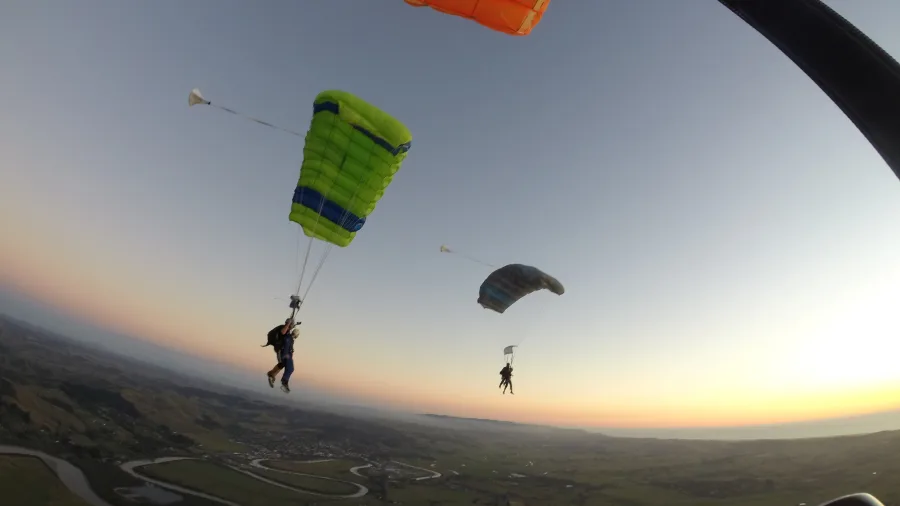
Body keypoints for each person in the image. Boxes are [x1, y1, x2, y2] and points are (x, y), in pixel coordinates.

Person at [264, 319, 293, 388]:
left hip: (280, 348)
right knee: (282, 363)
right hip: (279, 349)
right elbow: (282, 332)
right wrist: (288, 324)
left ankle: (272, 374)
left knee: (282, 364)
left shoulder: (284, 328)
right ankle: (271, 374)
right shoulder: (284, 328)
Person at [279, 326, 299, 393]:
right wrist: (285, 355)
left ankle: (285, 381)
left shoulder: (290, 338)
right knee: (290, 369)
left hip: (288, 355)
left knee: (290, 369)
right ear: (296, 334)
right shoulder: (289, 338)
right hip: (286, 355)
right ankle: (284, 381)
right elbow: (286, 345)